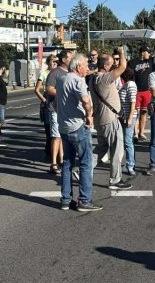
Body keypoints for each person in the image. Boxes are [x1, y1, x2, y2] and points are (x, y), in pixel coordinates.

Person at [56, 53, 100, 212]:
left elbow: (56, 102)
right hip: (78, 127)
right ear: (77, 67)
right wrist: (89, 115)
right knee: (86, 163)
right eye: (86, 65)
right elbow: (86, 101)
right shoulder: (78, 81)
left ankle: (65, 200)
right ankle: (84, 200)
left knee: (67, 163)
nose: (88, 68)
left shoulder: (62, 79)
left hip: (64, 127)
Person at [90, 48, 132, 190]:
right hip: (110, 119)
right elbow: (123, 67)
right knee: (117, 149)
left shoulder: (93, 77)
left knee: (101, 148)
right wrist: (121, 52)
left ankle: (84, 170)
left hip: (100, 120)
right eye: (112, 64)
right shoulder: (104, 78)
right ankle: (115, 180)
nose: (114, 65)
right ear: (106, 66)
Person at [44, 51, 72, 176]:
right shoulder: (55, 72)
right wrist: (62, 94)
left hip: (67, 109)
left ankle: (62, 160)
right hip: (55, 109)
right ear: (64, 59)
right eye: (70, 58)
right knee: (56, 136)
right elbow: (49, 88)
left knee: (64, 136)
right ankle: (53, 163)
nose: (72, 59)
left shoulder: (71, 73)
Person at [35, 54, 57, 160]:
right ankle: (48, 152)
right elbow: (37, 89)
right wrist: (44, 100)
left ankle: (57, 153)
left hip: (58, 103)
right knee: (49, 130)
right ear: (48, 62)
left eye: (55, 61)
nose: (54, 63)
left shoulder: (59, 72)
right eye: (52, 61)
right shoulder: (44, 73)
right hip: (48, 104)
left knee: (58, 132)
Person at [128, 46, 153, 141]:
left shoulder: (150, 61)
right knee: (135, 113)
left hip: (147, 91)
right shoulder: (132, 62)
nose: (149, 54)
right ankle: (135, 133)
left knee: (144, 113)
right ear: (143, 53)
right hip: (136, 91)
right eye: (148, 52)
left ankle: (141, 133)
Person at [119, 67, 138, 177]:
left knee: (128, 142)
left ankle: (130, 165)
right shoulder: (126, 84)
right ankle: (129, 164)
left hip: (129, 117)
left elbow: (133, 103)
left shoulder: (130, 85)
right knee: (126, 141)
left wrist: (130, 118)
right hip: (124, 116)